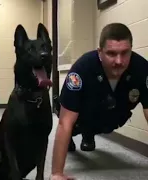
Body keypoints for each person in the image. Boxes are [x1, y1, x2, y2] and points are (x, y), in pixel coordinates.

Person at [50, 22, 148, 180]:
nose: (119, 61)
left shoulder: (142, 69)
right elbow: (65, 123)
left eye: (125, 53)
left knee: (105, 116)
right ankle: (79, 133)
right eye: (111, 53)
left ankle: (89, 134)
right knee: (71, 121)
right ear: (99, 52)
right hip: (81, 117)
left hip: (113, 117)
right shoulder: (83, 69)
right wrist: (56, 173)